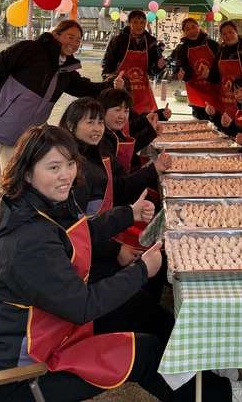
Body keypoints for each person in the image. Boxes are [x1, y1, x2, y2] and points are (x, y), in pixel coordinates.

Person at [0, 123, 242, 402]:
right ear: (27, 173)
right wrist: (142, 270)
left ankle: (202, 370)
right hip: (27, 372)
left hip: (56, 325)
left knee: (139, 307)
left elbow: (80, 232)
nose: (66, 175)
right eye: (53, 167)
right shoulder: (29, 242)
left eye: (69, 164)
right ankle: (220, 395)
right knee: (144, 352)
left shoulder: (37, 205)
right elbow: (83, 306)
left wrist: (128, 214)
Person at [0, 19, 122, 281]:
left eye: (78, 40)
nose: (74, 43)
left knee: (17, 189)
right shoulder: (30, 49)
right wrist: (6, 100)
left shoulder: (66, 71)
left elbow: (85, 88)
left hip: (22, 138)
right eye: (70, 36)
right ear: (57, 34)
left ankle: (11, 248)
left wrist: (110, 87)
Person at [59, 97, 172, 308]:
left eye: (99, 122)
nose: (97, 128)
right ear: (71, 125)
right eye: (89, 122)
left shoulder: (97, 152)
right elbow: (75, 230)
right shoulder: (73, 171)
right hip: (85, 264)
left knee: (156, 269)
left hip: (101, 239)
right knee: (147, 294)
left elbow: (116, 189)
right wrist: (115, 250)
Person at [102, 9, 165, 114]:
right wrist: (110, 82)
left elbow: (151, 71)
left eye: (142, 22)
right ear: (129, 23)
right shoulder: (118, 40)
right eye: (135, 22)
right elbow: (107, 65)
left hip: (142, 90)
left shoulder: (151, 42)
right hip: (121, 87)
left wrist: (158, 67)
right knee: (122, 115)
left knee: (145, 118)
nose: (139, 26)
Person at [207, 20, 242, 119]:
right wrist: (208, 75)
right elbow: (215, 77)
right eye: (224, 34)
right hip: (226, 99)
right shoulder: (221, 52)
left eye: (231, 32)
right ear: (221, 36)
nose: (228, 36)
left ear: (236, 32)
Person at [171, 17, 220, 119]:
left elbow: (221, 64)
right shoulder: (182, 49)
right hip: (196, 92)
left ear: (198, 27)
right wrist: (180, 74)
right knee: (200, 123)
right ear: (184, 32)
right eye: (187, 29)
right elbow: (179, 67)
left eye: (193, 27)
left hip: (215, 89)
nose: (191, 31)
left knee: (217, 120)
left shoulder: (212, 44)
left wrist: (211, 73)